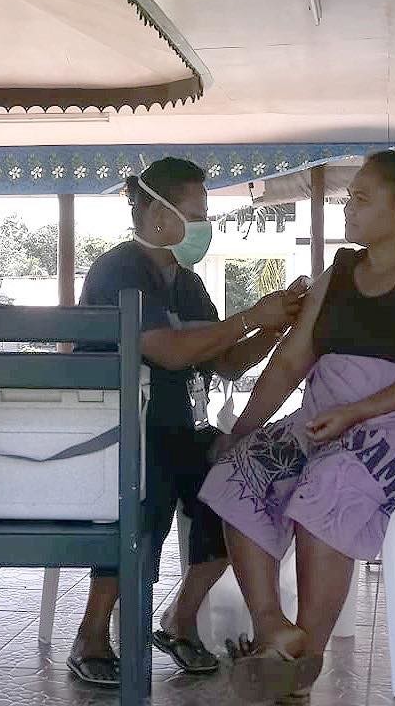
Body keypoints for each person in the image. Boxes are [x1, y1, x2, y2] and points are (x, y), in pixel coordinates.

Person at [199, 151, 395, 704]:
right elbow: (289, 361)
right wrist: (243, 430)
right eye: (349, 196)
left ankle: (305, 658)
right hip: (325, 419)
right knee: (243, 468)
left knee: (333, 478)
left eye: (362, 198)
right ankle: (274, 632)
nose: (348, 206)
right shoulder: (340, 273)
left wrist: (357, 412)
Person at [67, 158, 305, 686]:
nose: (204, 226)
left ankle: (181, 619)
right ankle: (92, 633)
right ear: (157, 215)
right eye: (196, 214)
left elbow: (224, 361)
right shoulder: (119, 270)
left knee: (240, 487)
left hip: (175, 428)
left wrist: (280, 324)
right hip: (116, 434)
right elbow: (170, 352)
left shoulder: (187, 282)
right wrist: (251, 316)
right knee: (142, 493)